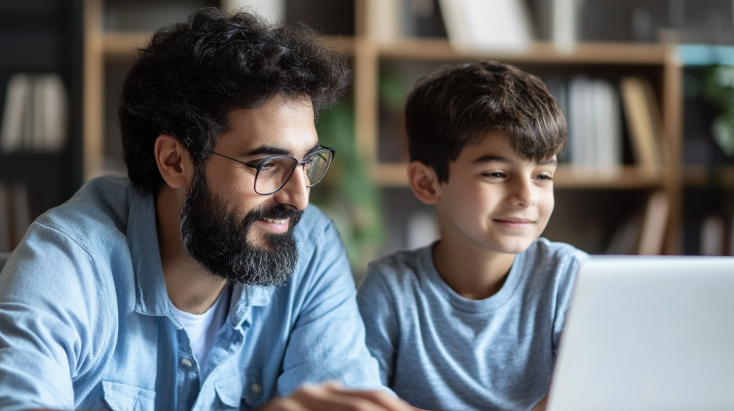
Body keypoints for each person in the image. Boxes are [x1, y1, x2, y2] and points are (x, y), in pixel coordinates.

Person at [0, 8, 411, 411]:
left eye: (306, 162)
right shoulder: (69, 259)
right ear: (175, 162)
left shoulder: (311, 247)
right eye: (268, 166)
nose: (299, 198)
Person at [357, 61, 588, 411]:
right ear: (427, 183)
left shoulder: (569, 278)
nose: (526, 195)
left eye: (543, 176)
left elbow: (590, 396)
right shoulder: (391, 290)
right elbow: (359, 398)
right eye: (496, 173)